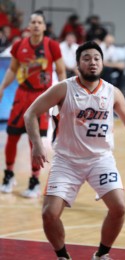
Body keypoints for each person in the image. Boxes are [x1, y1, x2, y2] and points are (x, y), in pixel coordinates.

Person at [23, 41, 125, 260]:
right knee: (49, 214)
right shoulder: (64, 88)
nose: (92, 62)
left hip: (100, 160)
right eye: (86, 58)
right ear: (77, 65)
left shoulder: (112, 92)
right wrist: (37, 144)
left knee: (119, 207)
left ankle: (101, 255)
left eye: (96, 58)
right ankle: (63, 256)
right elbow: (30, 114)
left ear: (102, 63)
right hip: (67, 161)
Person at [0, 10, 66, 198]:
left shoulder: (52, 46)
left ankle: (34, 180)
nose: (36, 25)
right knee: (11, 137)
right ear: (28, 26)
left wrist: (63, 95)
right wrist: (2, 87)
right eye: (33, 22)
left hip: (42, 97)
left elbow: (61, 72)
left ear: (44, 26)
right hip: (22, 95)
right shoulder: (19, 45)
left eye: (39, 22)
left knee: (35, 142)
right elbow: (13, 69)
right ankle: (9, 174)